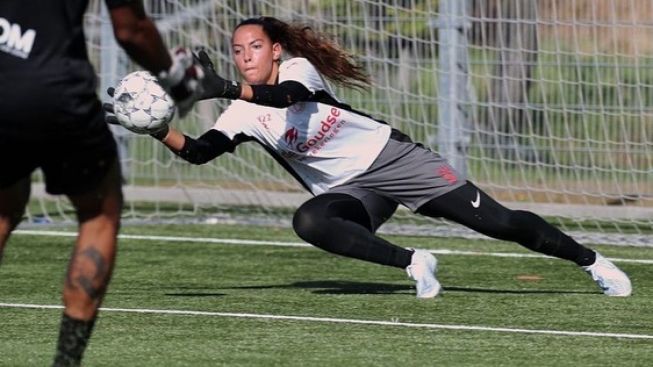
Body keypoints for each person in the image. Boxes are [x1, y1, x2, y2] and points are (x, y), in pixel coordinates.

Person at [106, 16, 632, 299]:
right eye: (238, 50)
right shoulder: (240, 113)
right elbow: (200, 154)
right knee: (310, 219)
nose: (245, 57)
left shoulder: (299, 73)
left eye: (254, 48)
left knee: (500, 222)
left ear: (276, 51)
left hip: (393, 158)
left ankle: (591, 261)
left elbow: (287, 102)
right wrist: (155, 128)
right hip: (355, 193)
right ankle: (414, 262)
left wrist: (220, 87)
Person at [0, 1, 207, 366]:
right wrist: (177, 77)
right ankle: (67, 361)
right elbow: (131, 29)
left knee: (3, 207)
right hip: (53, 86)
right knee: (98, 212)